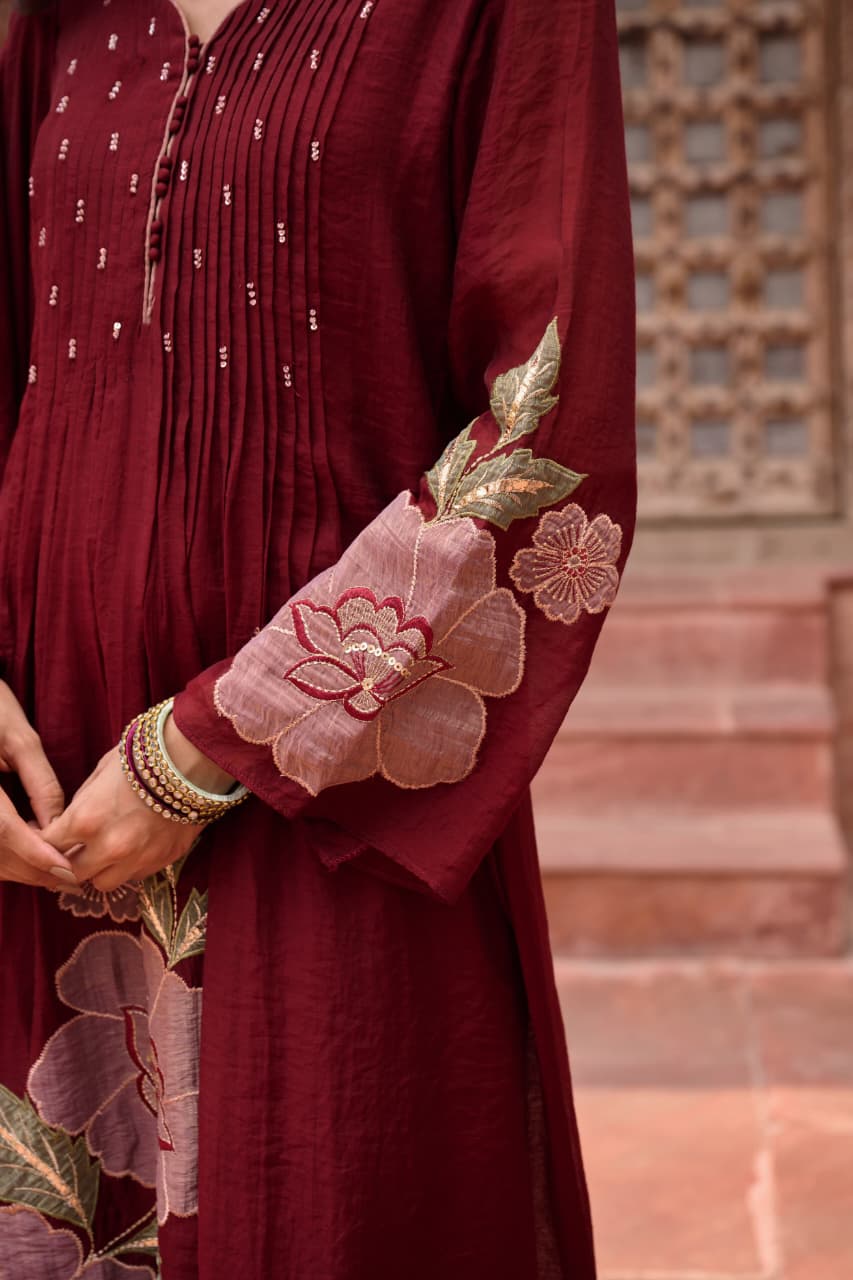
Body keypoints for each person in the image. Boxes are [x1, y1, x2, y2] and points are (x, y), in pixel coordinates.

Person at [0, 0, 636, 1275]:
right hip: (36, 791)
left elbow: (545, 422)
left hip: (330, 786)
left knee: (325, 1192)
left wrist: (221, 741)